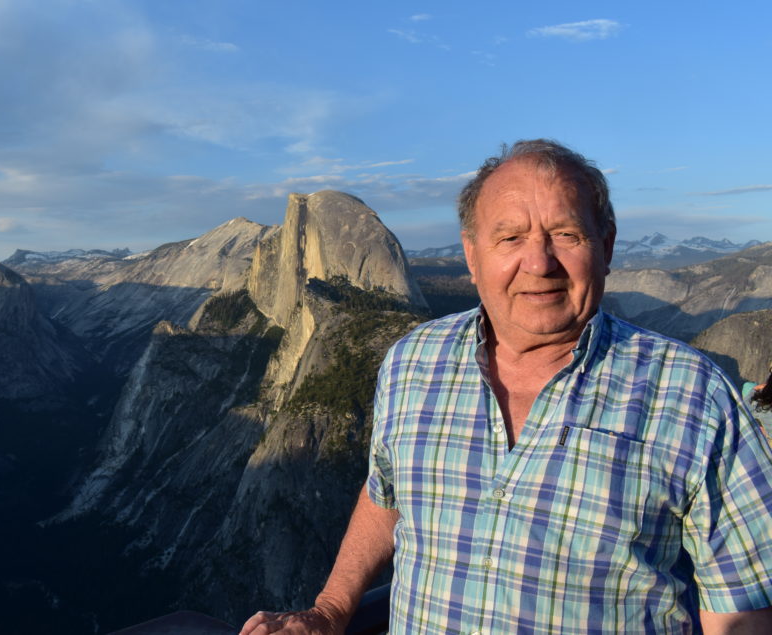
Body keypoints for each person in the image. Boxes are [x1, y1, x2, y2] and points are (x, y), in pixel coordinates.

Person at [240, 139, 772, 634]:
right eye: (510, 238)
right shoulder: (412, 362)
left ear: (606, 247)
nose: (538, 264)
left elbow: (743, 610)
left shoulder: (696, 397)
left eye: (566, 234)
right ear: (473, 256)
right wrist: (329, 611)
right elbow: (386, 495)